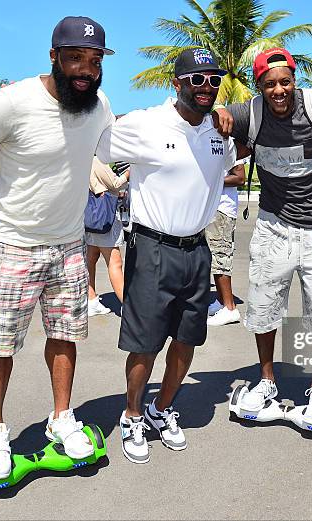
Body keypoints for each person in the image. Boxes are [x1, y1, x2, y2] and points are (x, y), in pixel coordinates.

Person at [0, 16, 115, 480]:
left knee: (65, 337)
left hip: (69, 245)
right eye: (76, 57)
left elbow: (123, 149)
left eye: (94, 61)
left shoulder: (99, 107)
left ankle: (61, 417)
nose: (86, 70)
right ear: (54, 57)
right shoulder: (10, 102)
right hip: (13, 245)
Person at [213, 48, 312, 421]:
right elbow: (195, 112)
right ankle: (266, 380)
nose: (279, 90)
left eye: (285, 81)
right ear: (259, 86)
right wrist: (216, 111)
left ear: (294, 80)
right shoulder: (249, 114)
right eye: (269, 84)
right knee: (264, 306)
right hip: (273, 227)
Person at [96, 48, 240, 464]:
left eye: (214, 80)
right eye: (197, 79)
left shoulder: (218, 131)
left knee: (187, 339)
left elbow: (231, 163)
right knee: (145, 344)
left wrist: (229, 121)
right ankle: (133, 414)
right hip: (152, 246)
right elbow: (93, 142)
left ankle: (162, 409)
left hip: (197, 248)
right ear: (176, 84)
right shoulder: (145, 123)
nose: (207, 87)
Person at [86, 157, 128, 316]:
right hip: (105, 216)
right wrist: (129, 172)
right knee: (115, 262)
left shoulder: (83, 155)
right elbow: (116, 184)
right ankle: (128, 306)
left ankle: (91, 300)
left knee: (91, 257)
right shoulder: (97, 159)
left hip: (92, 215)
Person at [206, 160, 245, 326]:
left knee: (221, 257)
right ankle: (222, 302)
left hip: (222, 209)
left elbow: (240, 178)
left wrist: (209, 181)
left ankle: (230, 308)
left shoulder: (232, 145)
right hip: (212, 208)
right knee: (214, 258)